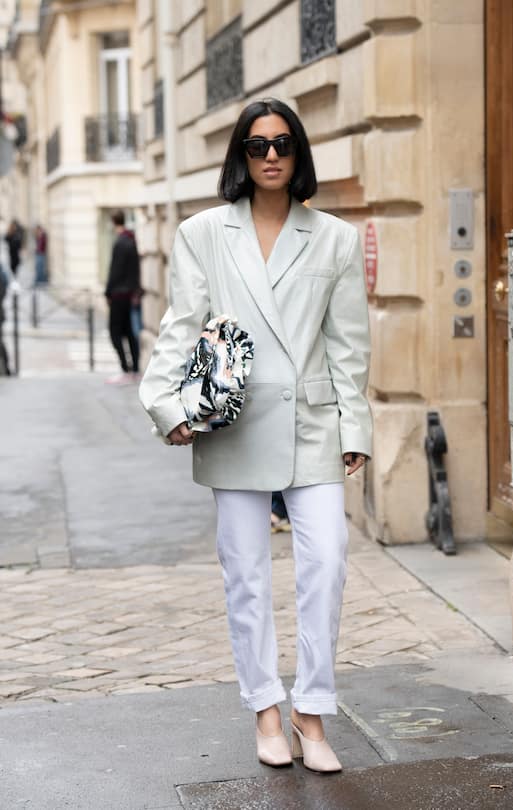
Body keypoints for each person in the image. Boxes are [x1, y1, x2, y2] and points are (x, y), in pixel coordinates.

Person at [139, 98, 372, 773]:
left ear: (299, 153)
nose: (271, 156)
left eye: (283, 144)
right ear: (240, 154)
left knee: (327, 561)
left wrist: (354, 423)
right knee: (246, 574)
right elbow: (181, 325)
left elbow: (349, 345)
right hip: (234, 422)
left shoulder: (334, 238)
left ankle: (312, 711)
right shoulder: (203, 233)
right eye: (257, 145)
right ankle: (267, 710)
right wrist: (165, 404)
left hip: (312, 421)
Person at [105, 209, 140, 384]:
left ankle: (126, 369)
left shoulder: (120, 243)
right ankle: (134, 370)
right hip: (130, 294)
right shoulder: (131, 240)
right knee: (130, 333)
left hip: (119, 294)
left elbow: (115, 271)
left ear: (113, 222)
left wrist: (108, 292)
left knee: (115, 333)